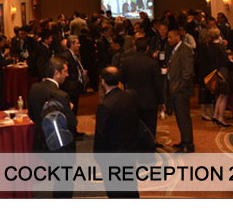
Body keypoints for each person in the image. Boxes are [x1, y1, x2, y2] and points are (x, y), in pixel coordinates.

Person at [94, 66, 141, 198]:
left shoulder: (105, 106)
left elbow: (100, 135)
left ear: (103, 81)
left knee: (115, 191)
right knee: (131, 188)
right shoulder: (131, 96)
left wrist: (98, 157)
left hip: (112, 156)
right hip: (130, 151)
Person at [28, 57, 77, 152]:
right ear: (56, 73)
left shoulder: (34, 88)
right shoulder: (61, 95)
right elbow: (72, 123)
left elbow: (31, 115)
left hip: (40, 143)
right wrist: (69, 109)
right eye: (65, 71)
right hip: (59, 147)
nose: (67, 74)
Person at [120, 38, 163, 141]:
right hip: (150, 101)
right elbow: (158, 84)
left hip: (132, 100)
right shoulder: (153, 63)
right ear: (147, 48)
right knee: (150, 130)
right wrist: (162, 101)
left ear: (135, 47)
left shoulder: (126, 62)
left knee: (134, 129)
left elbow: (122, 79)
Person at [167, 28, 195, 152]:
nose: (168, 40)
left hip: (181, 91)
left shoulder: (184, 50)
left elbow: (188, 72)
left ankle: (188, 144)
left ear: (177, 37)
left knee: (184, 118)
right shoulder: (175, 50)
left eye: (170, 37)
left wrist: (180, 87)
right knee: (180, 117)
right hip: (176, 89)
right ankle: (184, 140)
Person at [208, 27, 233, 127]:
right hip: (223, 72)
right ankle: (220, 117)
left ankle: (215, 115)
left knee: (219, 95)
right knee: (224, 95)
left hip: (215, 72)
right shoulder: (220, 47)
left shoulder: (210, 46)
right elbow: (226, 61)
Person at [60, 35, 86, 137]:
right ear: (72, 44)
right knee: (70, 111)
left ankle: (74, 130)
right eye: (77, 43)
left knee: (74, 110)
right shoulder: (66, 56)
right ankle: (71, 132)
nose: (79, 45)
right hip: (69, 88)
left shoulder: (74, 55)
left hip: (75, 87)